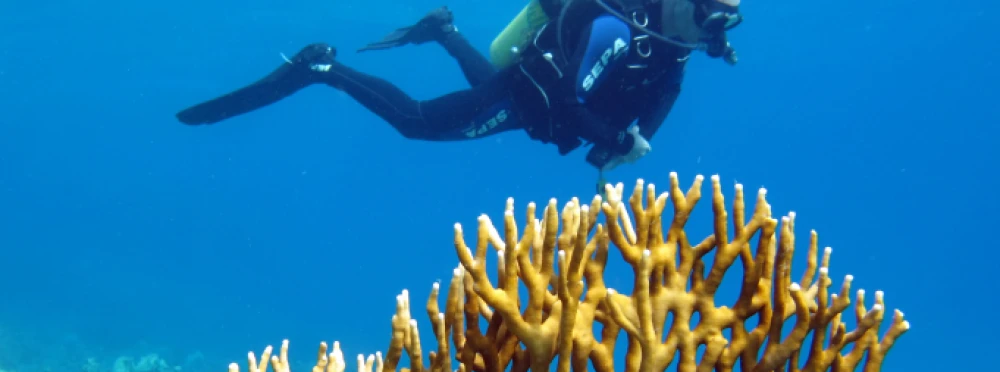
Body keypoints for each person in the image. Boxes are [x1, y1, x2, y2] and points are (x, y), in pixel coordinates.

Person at [175, 0, 742, 174]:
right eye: (713, 11)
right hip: (531, 98)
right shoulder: (620, 28)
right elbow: (569, 103)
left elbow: (663, 94)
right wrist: (616, 144)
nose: (717, 26)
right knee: (419, 123)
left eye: (729, 16)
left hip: (528, 101)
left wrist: (633, 137)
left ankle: (443, 32)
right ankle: (320, 68)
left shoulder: (676, 47)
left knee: (492, 91)